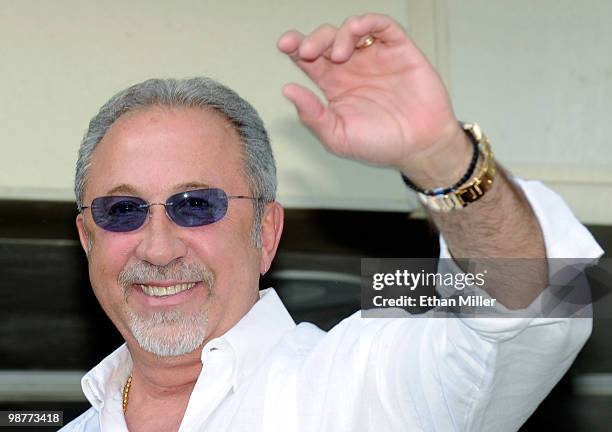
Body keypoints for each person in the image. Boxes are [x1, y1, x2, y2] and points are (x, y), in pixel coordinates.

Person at [60, 13, 602, 432]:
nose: (157, 248)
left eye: (196, 205)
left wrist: (441, 157)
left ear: (266, 235)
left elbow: (539, 301)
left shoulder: (356, 388)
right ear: (87, 239)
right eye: (122, 211)